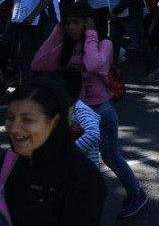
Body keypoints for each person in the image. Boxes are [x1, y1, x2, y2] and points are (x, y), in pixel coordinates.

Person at [31, 0, 149, 218]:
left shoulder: (104, 44)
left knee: (110, 156)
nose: (71, 27)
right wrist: (58, 30)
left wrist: (91, 34)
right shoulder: (65, 47)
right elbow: (37, 64)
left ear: (88, 23)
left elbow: (93, 64)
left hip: (101, 112)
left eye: (76, 22)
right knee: (77, 162)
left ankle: (136, 194)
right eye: (68, 23)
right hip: (73, 114)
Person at [3, 79, 107, 225]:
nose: (14, 128)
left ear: (54, 122)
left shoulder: (82, 178)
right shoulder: (8, 161)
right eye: (10, 117)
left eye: (28, 120)